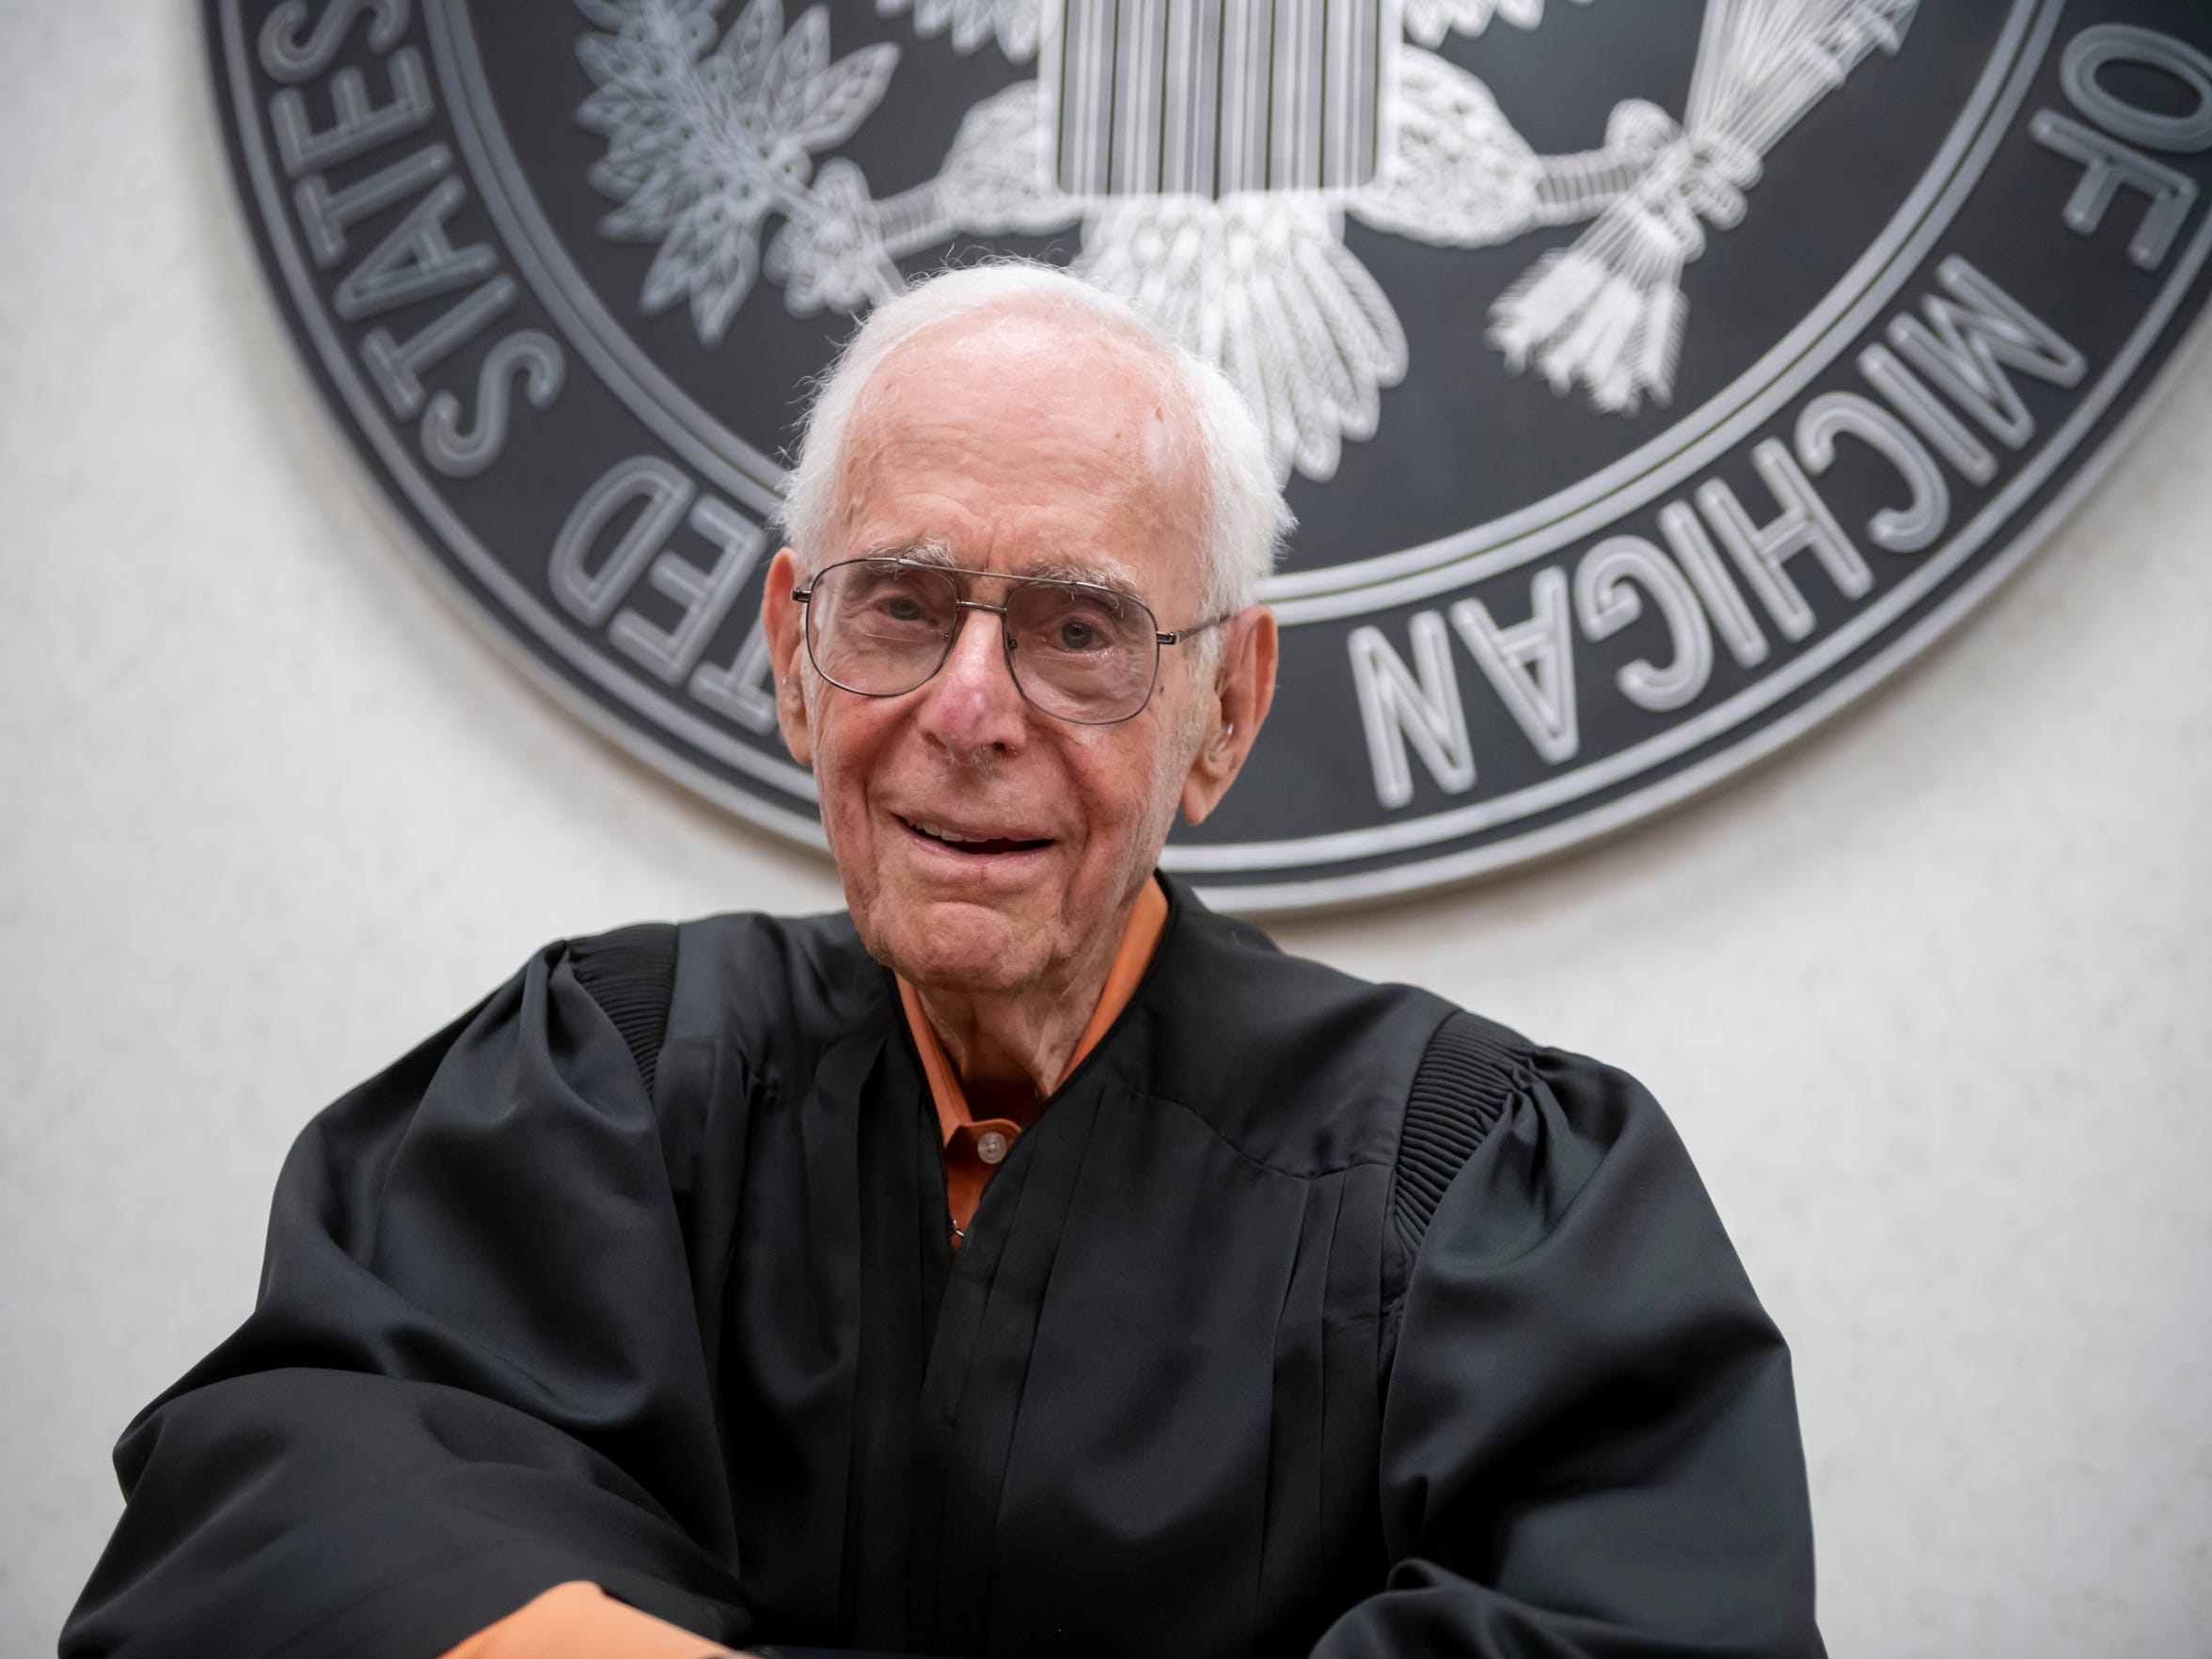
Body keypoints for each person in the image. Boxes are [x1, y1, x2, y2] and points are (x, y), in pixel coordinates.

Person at [63, 262, 1824, 1659]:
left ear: (1226, 710)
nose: (968, 714)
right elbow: (279, 1519)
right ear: (791, 655)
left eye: (1080, 631)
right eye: (900, 607)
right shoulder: (605, 1079)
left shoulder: (1477, 1190)